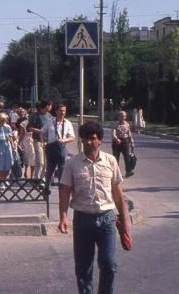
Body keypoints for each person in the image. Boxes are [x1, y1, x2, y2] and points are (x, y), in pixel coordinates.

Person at [59, 121, 130, 294]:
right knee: (83, 268)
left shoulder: (110, 161)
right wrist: (63, 217)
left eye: (92, 138)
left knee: (109, 264)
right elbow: (65, 192)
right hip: (83, 220)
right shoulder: (72, 164)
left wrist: (125, 223)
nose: (88, 142)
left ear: (100, 141)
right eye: (85, 139)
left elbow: (118, 194)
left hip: (107, 219)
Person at [42, 103, 75, 186]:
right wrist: (43, 142)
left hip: (62, 148)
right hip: (52, 147)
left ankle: (62, 189)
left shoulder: (68, 123)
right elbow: (42, 132)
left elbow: (72, 137)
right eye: (60, 111)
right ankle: (46, 188)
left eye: (64, 111)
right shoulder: (50, 121)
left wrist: (64, 140)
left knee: (62, 170)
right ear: (56, 111)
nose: (62, 113)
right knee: (50, 169)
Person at [112, 111, 135, 178]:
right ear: (118, 117)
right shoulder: (115, 124)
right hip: (116, 143)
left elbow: (129, 134)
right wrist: (116, 139)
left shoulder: (127, 124)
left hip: (125, 141)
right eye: (121, 116)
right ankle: (115, 174)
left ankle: (128, 172)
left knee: (127, 157)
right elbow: (113, 133)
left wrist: (132, 142)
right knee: (116, 158)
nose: (123, 118)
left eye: (124, 116)